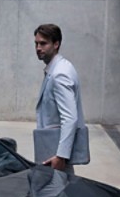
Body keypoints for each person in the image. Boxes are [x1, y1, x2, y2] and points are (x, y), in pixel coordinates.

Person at [33, 23, 88, 174]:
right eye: (36, 43)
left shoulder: (60, 74)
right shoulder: (59, 68)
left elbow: (70, 117)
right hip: (54, 148)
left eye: (43, 43)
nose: (38, 48)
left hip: (56, 154)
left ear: (56, 44)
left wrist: (61, 155)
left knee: (57, 192)